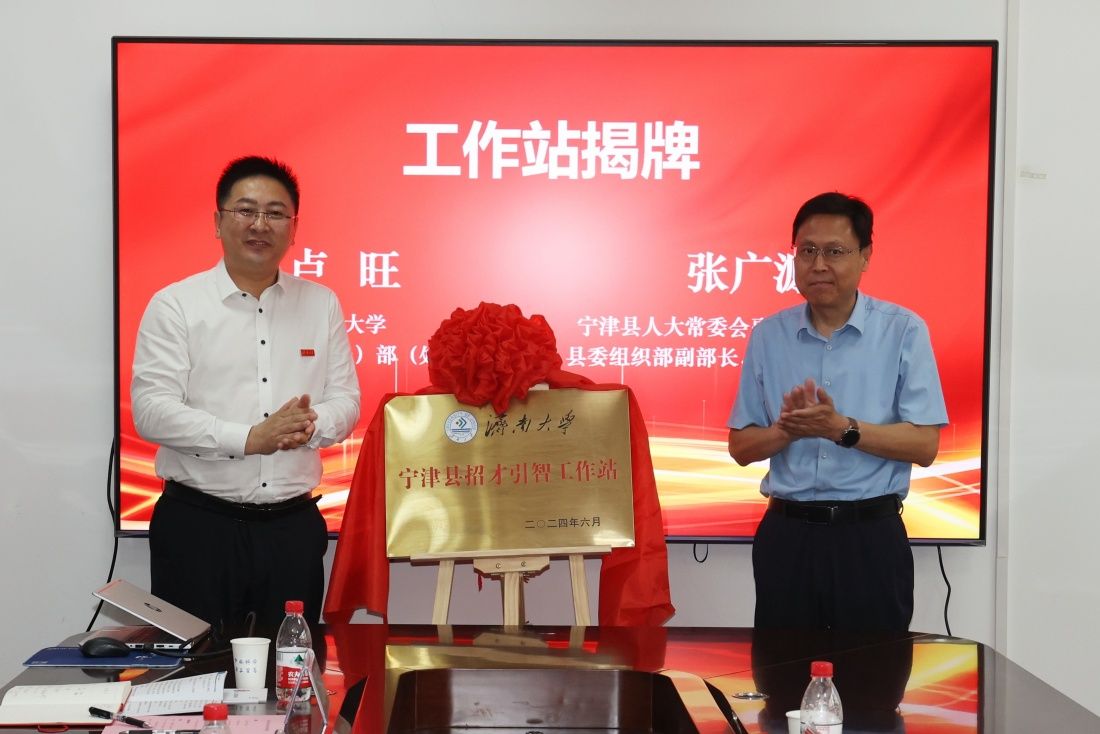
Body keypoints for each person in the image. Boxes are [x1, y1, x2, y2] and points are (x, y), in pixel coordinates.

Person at [132, 155, 360, 628]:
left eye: (276, 213)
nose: (260, 224)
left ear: (293, 229)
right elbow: (152, 411)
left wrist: (308, 425)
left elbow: (346, 399)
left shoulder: (321, 303)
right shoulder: (176, 305)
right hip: (198, 528)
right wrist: (251, 438)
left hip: (293, 530)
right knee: (197, 668)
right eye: (245, 210)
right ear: (218, 222)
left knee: (290, 665)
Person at [727, 191, 947, 632]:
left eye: (835, 251)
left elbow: (925, 445)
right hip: (787, 537)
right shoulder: (769, 335)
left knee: (874, 670)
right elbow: (741, 447)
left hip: (869, 538)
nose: (818, 264)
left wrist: (841, 429)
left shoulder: (903, 330)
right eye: (807, 251)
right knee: (782, 668)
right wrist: (788, 430)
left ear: (865, 256)